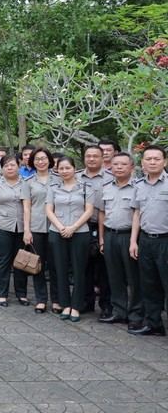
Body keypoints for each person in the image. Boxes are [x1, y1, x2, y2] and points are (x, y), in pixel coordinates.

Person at [46, 156, 94, 323]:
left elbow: (89, 210)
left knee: (79, 269)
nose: (64, 171)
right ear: (57, 170)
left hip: (80, 232)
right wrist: (61, 228)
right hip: (57, 232)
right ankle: (65, 304)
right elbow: (49, 210)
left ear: (75, 168)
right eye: (61, 168)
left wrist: (73, 227)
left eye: (68, 168)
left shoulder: (86, 186)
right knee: (60, 269)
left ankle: (76, 306)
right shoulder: (53, 187)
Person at [97, 152, 142, 330]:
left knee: (134, 278)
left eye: (123, 164)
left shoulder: (139, 187)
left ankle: (136, 314)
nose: (119, 167)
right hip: (110, 235)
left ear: (132, 167)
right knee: (114, 276)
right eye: (116, 164)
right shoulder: (106, 186)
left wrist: (134, 241)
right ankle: (119, 311)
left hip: (130, 236)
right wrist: (101, 238)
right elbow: (102, 213)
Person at [129, 145, 168, 336]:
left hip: (165, 242)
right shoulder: (139, 184)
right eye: (148, 159)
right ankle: (154, 325)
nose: (152, 162)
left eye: (157, 159)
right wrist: (133, 241)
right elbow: (136, 213)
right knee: (149, 285)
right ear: (142, 163)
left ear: (165, 161)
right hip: (145, 241)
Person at [0, 155, 30, 307]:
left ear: (19, 166)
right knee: (2, 260)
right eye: (6, 166)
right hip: (2, 226)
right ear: (2, 168)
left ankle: (21, 294)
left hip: (21, 227)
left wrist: (28, 230)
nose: (9, 168)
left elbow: (27, 208)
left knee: (21, 260)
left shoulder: (25, 184)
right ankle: (1, 293)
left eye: (12, 165)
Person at [78, 144, 113, 317]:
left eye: (95, 156)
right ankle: (86, 301)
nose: (91, 159)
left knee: (105, 268)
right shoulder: (76, 177)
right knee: (84, 267)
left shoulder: (111, 178)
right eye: (88, 156)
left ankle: (106, 304)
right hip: (81, 227)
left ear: (102, 158)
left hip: (105, 227)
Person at [23, 148, 59, 314]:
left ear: (50, 160)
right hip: (36, 227)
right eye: (37, 159)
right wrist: (26, 230)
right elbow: (26, 208)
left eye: (44, 158)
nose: (41, 161)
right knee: (37, 265)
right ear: (32, 162)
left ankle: (57, 300)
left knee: (56, 265)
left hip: (56, 227)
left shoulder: (59, 179)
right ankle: (41, 300)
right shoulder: (28, 182)